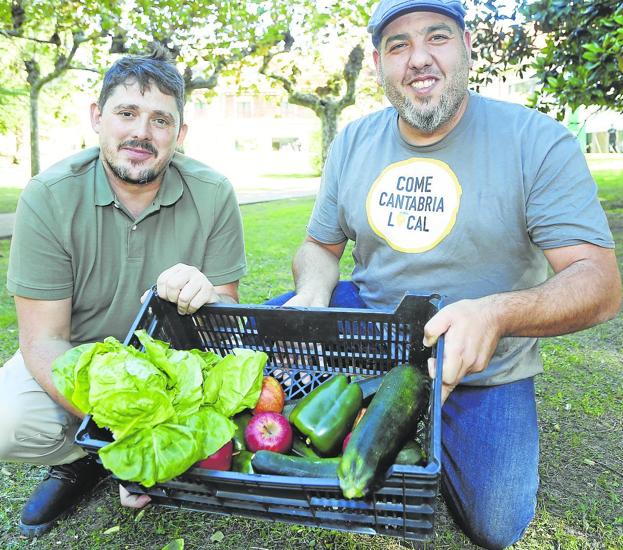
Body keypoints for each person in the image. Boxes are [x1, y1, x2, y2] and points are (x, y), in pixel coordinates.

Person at [273, 0, 622, 548]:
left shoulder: (536, 140)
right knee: (256, 357)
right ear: (378, 62)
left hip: (484, 359)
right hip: (371, 328)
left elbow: (598, 282)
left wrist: (497, 313)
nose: (418, 58)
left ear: (465, 47)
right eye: (397, 45)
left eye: (436, 37)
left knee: (494, 524)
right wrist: (313, 295)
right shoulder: (354, 141)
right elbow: (319, 245)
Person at [0, 48, 246, 536]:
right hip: (83, 360)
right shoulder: (48, 196)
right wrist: (125, 435)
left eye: (160, 120)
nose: (142, 132)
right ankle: (89, 458)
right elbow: (43, 342)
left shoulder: (214, 191)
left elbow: (229, 314)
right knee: (6, 420)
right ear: (98, 117)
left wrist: (209, 297)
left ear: (180, 134)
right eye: (127, 113)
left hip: (176, 367)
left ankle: (111, 454)